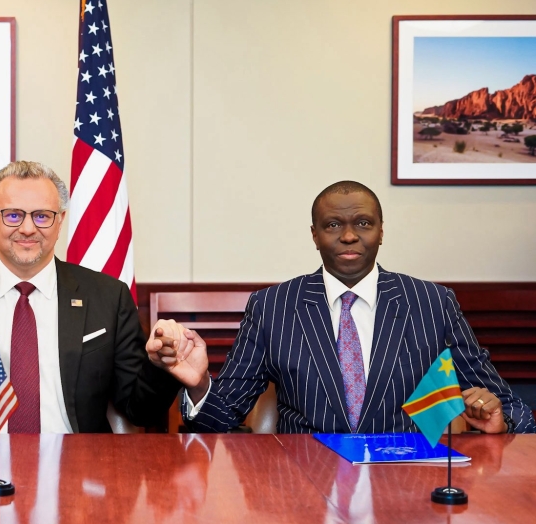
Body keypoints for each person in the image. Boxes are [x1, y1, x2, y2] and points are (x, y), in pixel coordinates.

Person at [169, 180, 534, 434]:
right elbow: (221, 418)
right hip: (304, 487)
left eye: (363, 223)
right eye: (333, 225)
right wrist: (200, 385)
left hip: (406, 485)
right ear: (314, 235)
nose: (348, 235)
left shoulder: (432, 303)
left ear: (381, 231)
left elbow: (508, 405)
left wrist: (500, 420)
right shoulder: (272, 307)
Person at [0, 161, 185, 433]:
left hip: (78, 463)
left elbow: (138, 410)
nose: (28, 229)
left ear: (60, 222)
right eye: (13, 215)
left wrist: (162, 366)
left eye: (42, 216)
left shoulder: (107, 296)